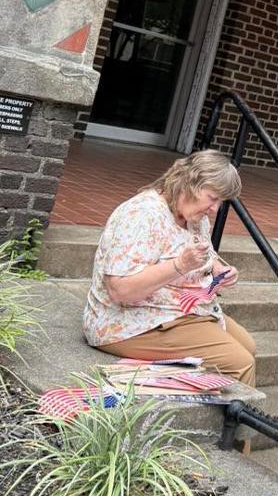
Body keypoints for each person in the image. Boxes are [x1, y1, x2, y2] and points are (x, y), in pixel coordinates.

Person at [84, 150, 257, 386]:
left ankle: (211, 398)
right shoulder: (142, 215)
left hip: (177, 310)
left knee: (249, 346)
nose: (215, 209)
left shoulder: (195, 217)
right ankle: (230, 421)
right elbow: (120, 291)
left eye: (221, 202)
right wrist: (179, 265)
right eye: (213, 198)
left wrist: (217, 268)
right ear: (189, 182)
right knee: (240, 362)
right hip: (129, 321)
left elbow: (203, 250)